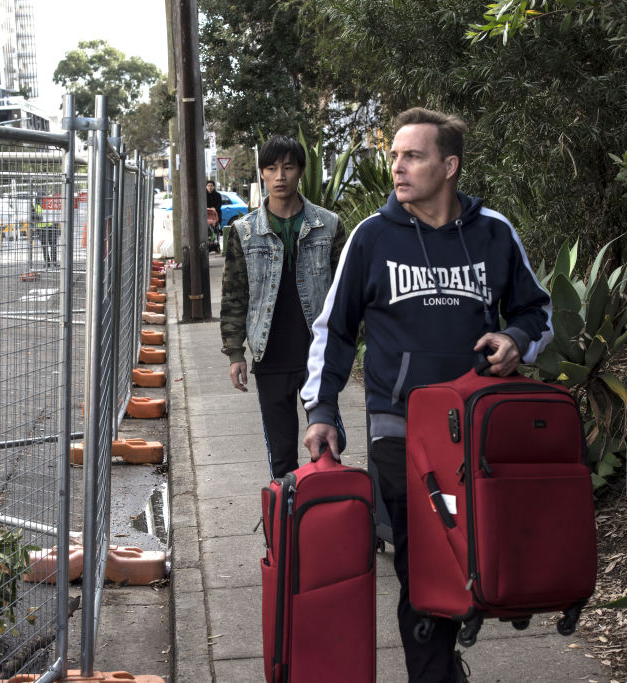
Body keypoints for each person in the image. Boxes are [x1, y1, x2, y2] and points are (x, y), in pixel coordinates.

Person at [301, 108, 554, 681]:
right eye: (394, 155)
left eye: (412, 156)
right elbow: (333, 330)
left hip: (475, 429)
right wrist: (322, 409)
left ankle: (451, 646)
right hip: (400, 428)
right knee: (421, 565)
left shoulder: (494, 232)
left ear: (449, 166)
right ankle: (434, 674)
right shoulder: (372, 236)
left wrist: (517, 341)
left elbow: (537, 311)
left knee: (472, 555)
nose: (397, 167)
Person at [220, 135, 347, 479]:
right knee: (282, 458)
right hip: (270, 356)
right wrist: (235, 353)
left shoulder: (329, 225)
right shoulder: (244, 231)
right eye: (272, 168)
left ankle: (326, 524)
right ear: (262, 173)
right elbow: (234, 295)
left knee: (326, 451)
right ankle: (287, 528)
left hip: (317, 357)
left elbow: (347, 292)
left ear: (301, 172)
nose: (280, 176)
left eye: (288, 167)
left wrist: (347, 346)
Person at [32, 194, 58, 268]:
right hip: (41, 229)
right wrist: (38, 218)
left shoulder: (49, 204)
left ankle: (54, 262)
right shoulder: (34, 206)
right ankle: (47, 262)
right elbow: (32, 217)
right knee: (45, 246)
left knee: (53, 245)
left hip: (51, 227)